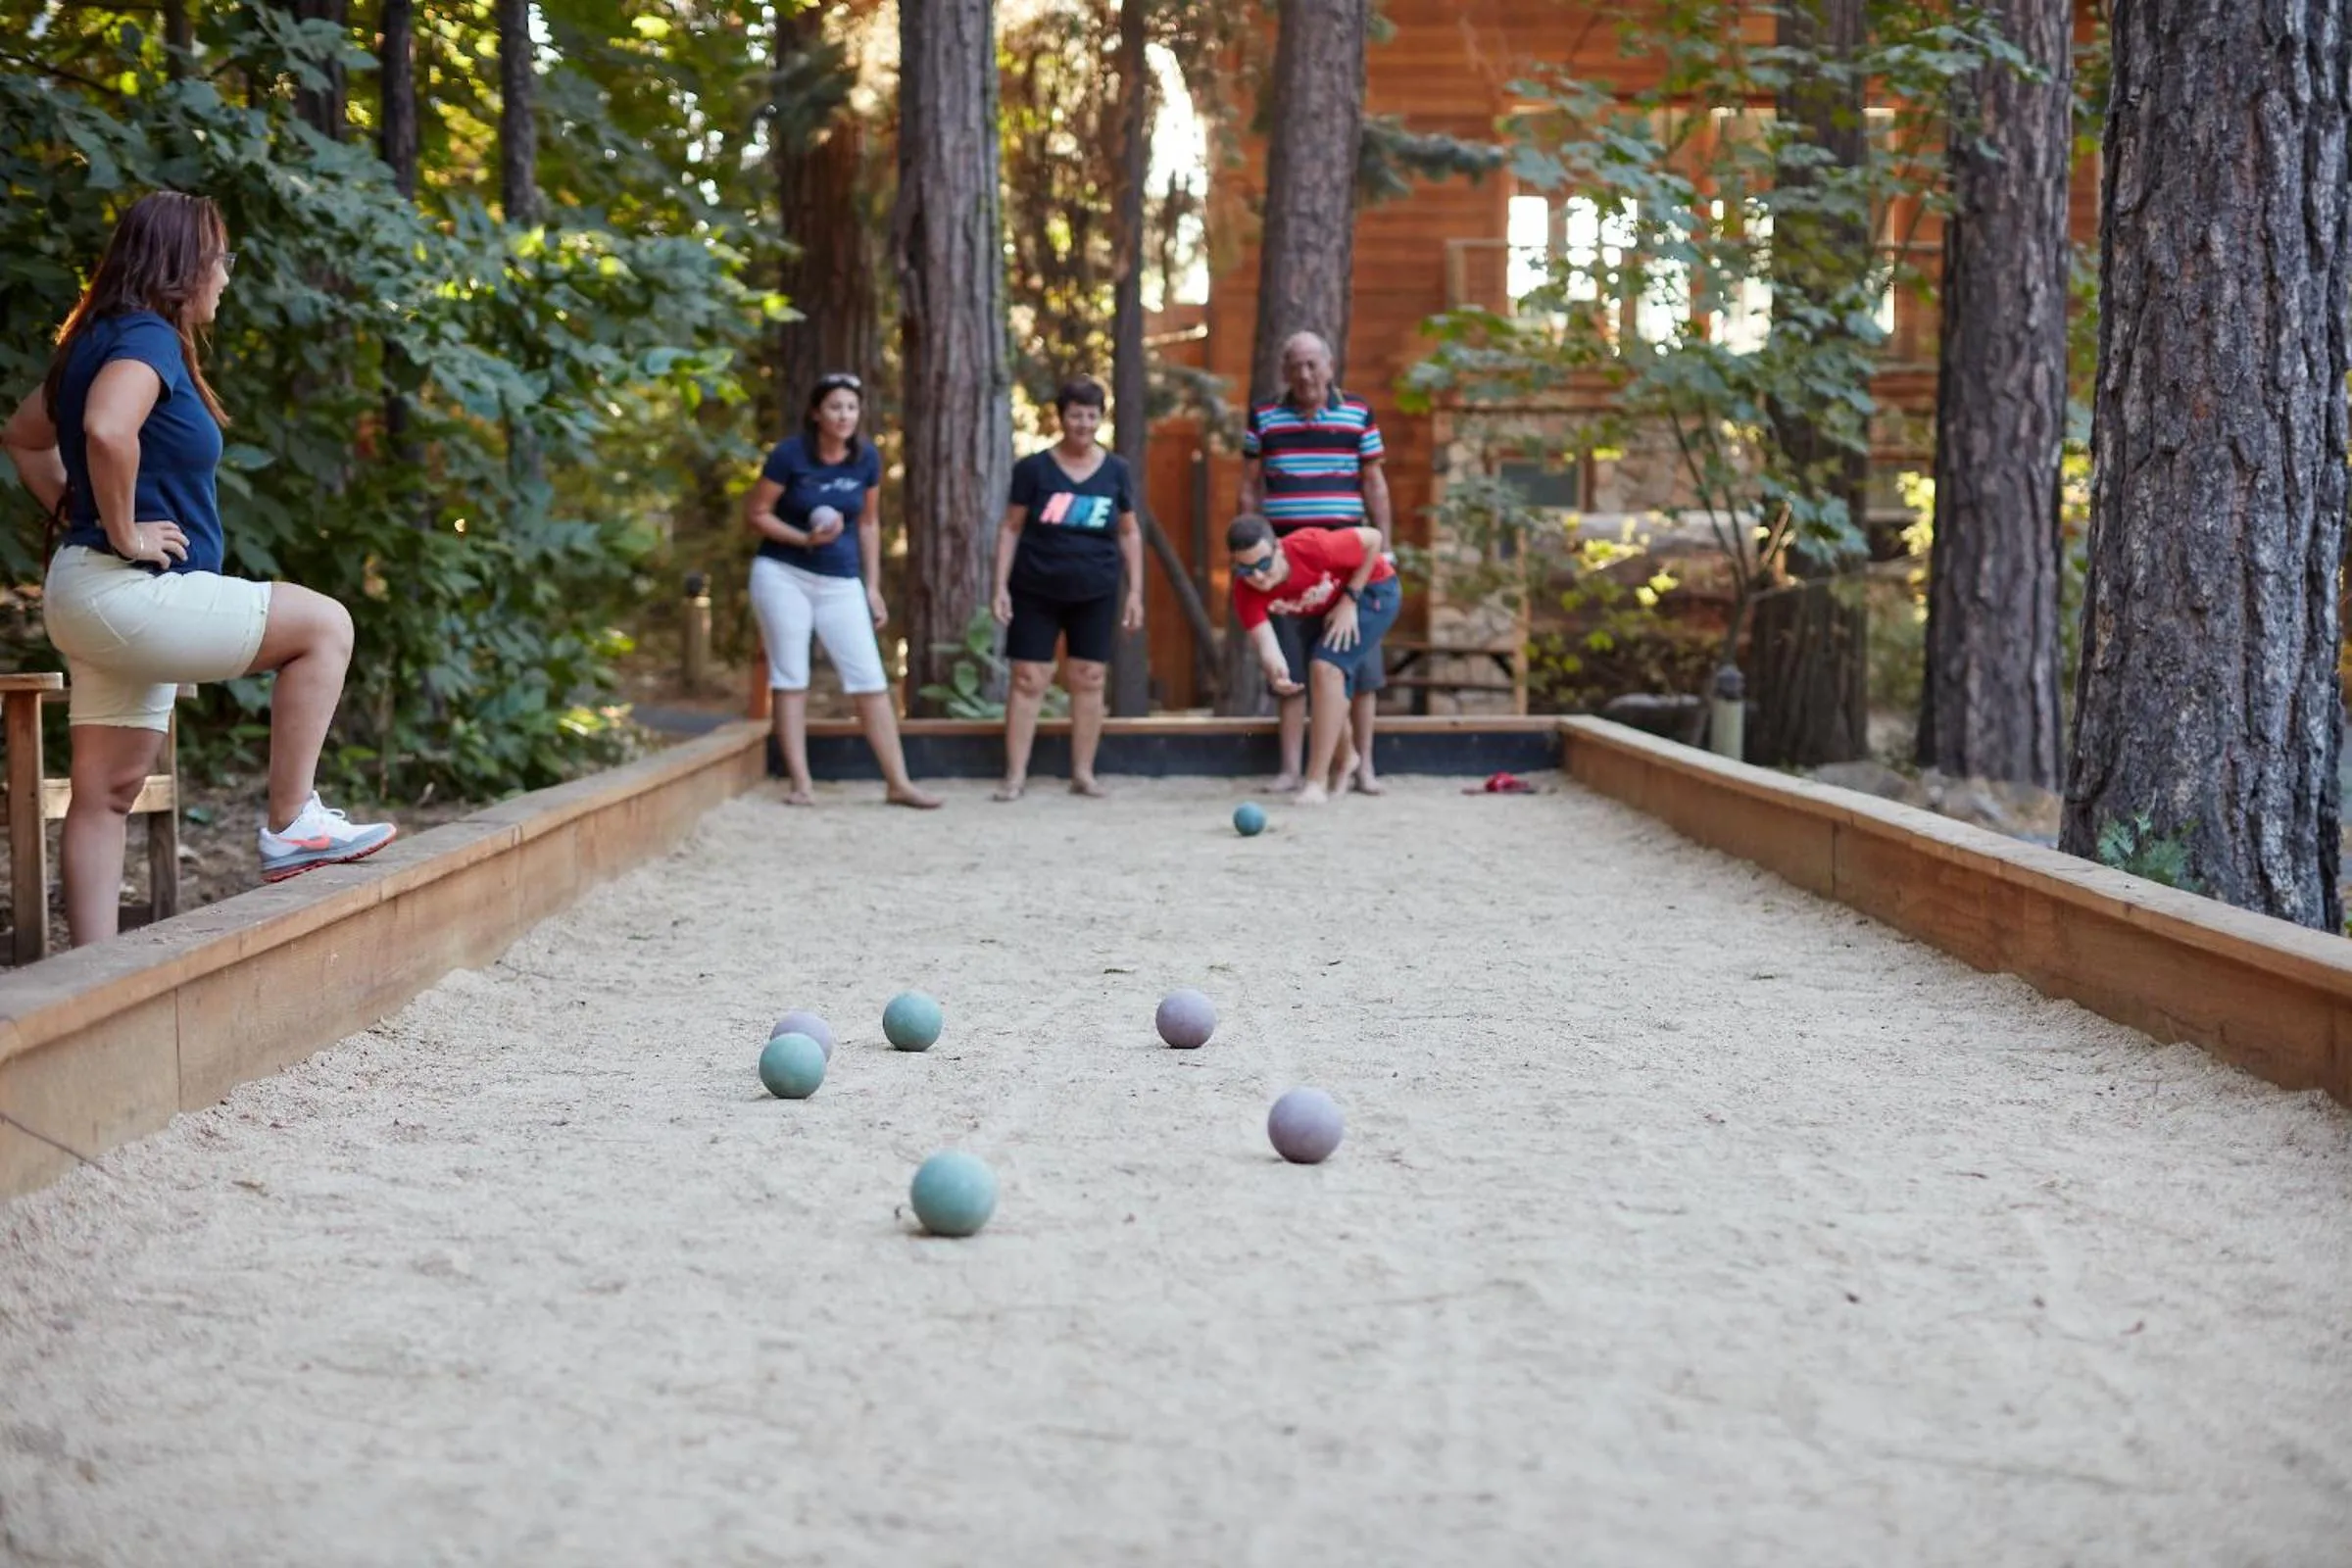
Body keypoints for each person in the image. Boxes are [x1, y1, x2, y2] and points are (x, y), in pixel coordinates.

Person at [0, 191, 395, 947]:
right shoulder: (145, 338)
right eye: (220, 259)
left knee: (106, 792)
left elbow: (23, 438)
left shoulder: (94, 341)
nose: (225, 276)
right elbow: (107, 431)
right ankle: (291, 822)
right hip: (127, 591)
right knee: (325, 626)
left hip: (86, 592)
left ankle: (92, 972)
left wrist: (80, 514)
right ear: (183, 266)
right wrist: (124, 531)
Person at [743, 372, 940, 809]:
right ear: (817, 413)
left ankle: (898, 783)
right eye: (835, 407)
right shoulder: (789, 456)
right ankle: (801, 783)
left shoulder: (866, 459)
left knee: (869, 677)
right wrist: (802, 540)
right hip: (783, 573)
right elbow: (757, 513)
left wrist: (871, 586)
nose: (844, 415)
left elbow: (868, 523)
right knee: (791, 677)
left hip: (840, 579)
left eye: (851, 407)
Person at [1236, 329, 1393, 795]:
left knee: (1358, 670)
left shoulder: (1358, 412)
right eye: (1295, 366)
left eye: (1312, 365)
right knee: (1292, 669)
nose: (1304, 375)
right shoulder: (1263, 416)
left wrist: (1385, 550)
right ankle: (1290, 767)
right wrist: (1251, 540)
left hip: (1347, 559)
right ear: (1285, 371)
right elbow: (1249, 484)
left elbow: (1375, 484)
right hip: (1281, 564)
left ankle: (1364, 767)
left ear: (1329, 366)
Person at [988, 376, 1145, 800]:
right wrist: (999, 586)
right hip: (1035, 588)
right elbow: (1011, 528)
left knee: (1089, 677)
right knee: (1028, 677)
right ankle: (1015, 776)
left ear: (1101, 419)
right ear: (1061, 417)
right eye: (1076, 415)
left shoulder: (1117, 471)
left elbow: (1129, 532)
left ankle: (1083, 773)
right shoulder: (1033, 469)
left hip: (1097, 589)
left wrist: (1135, 592)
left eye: (1091, 416)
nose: (1083, 424)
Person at [1226, 512, 1400, 806]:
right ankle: (1348, 758)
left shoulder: (1314, 547)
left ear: (1278, 548)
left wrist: (1350, 600)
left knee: (1326, 667)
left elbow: (1374, 540)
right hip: (1322, 607)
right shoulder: (1245, 593)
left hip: (1372, 591)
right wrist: (1277, 670)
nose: (1257, 575)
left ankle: (1316, 783)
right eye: (1246, 570)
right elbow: (1268, 645)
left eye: (1264, 563)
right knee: (1321, 679)